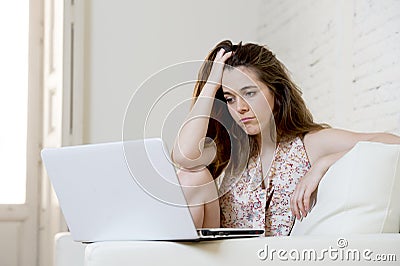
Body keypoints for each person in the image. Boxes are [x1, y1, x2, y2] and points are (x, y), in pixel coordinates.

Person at [171, 40, 400, 236]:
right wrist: (211, 87)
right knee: (194, 177)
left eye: (250, 93)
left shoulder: (308, 143)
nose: (240, 107)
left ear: (276, 92)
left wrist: (322, 164)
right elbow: (183, 158)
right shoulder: (233, 148)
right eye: (230, 98)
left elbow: (391, 142)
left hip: (271, 256)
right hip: (225, 253)